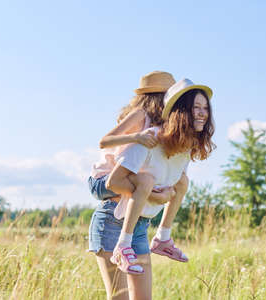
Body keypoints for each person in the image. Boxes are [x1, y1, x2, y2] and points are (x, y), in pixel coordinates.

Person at [105, 78, 215, 299]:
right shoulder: (148, 139)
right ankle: (123, 246)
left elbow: (172, 186)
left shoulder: (185, 146)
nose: (203, 113)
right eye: (196, 107)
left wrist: (164, 194)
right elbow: (111, 183)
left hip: (140, 226)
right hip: (113, 221)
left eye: (205, 108)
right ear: (181, 111)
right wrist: (153, 196)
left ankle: (163, 238)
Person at [88, 71, 186, 299]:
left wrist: (163, 193)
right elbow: (104, 141)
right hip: (103, 179)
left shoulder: (163, 128)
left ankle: (164, 236)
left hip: (137, 222)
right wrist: (137, 138)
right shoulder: (140, 115)